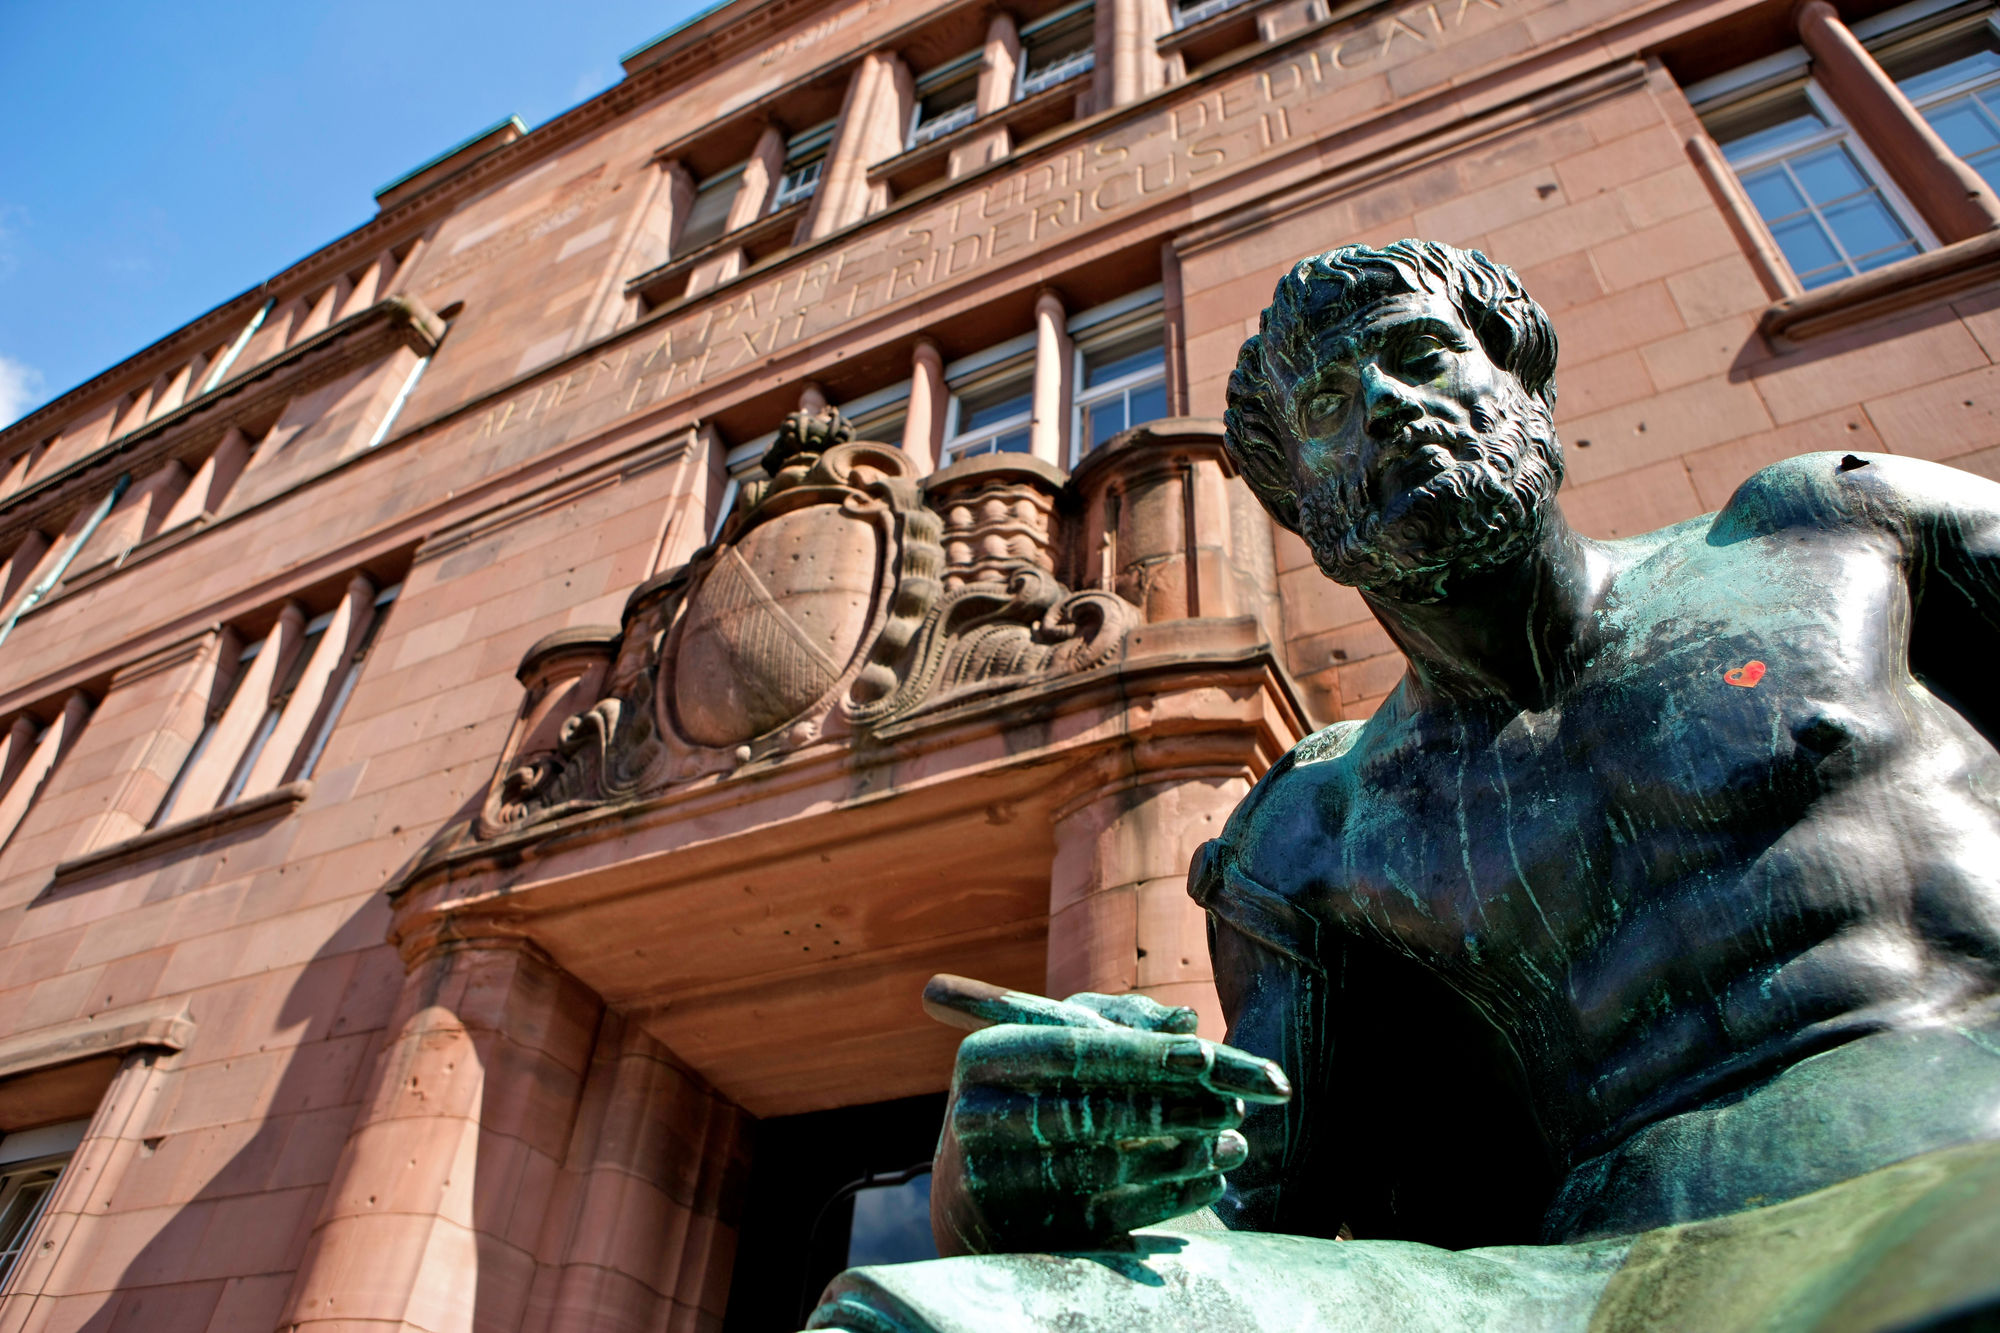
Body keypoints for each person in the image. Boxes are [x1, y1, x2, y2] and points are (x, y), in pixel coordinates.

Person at [807, 241, 2000, 1332]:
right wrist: (1011, 1160)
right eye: (1326, 406)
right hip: (1590, 1285)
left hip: (1960, 1152)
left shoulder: (1834, 533)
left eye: (1419, 354)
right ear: (1306, 518)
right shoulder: (1315, 824)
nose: (1382, 404)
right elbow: (1220, 1211)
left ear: (1525, 384)